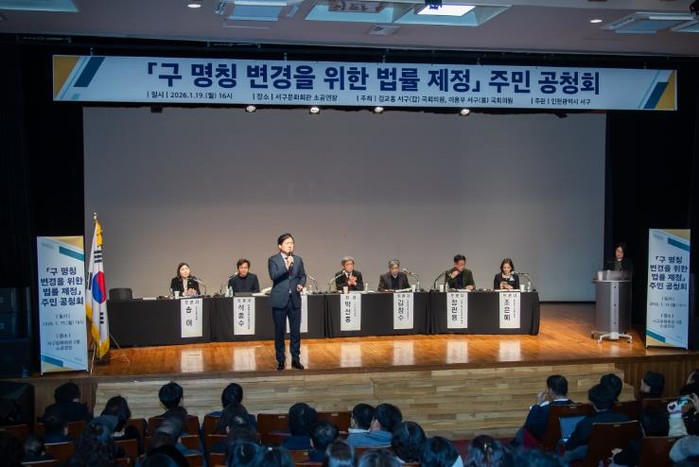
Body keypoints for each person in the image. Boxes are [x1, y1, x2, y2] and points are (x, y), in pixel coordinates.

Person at [563, 383, 631, 462]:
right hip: (619, 456)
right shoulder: (626, 419)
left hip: (593, 460)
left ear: (592, 404)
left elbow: (569, 446)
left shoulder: (585, 423)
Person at [268, 233, 306, 371]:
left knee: (295, 332)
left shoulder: (298, 259)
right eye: (287, 243)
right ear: (280, 246)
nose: (290, 245)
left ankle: (296, 359)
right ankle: (281, 360)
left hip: (294, 299)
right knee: (279, 332)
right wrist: (287, 265)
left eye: (292, 243)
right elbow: (274, 276)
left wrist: (301, 284)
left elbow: (302, 275)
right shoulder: (273, 260)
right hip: (279, 300)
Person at [517, 374, 573, 443]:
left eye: (547, 388)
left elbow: (530, 426)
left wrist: (537, 404)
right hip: (572, 443)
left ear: (550, 390)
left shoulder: (545, 409)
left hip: (550, 444)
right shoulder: (578, 408)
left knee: (523, 431)